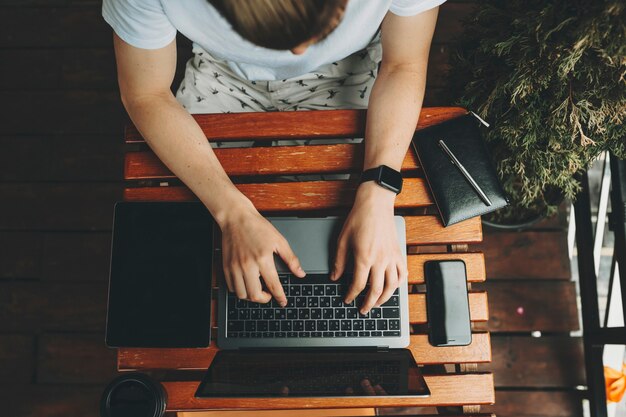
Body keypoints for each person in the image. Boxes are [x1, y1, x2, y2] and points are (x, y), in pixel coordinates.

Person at [103, 0, 443, 315]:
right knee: (180, 244)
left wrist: (379, 190)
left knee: (367, 246)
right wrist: (232, 214)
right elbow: (146, 93)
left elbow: (404, 64)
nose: (298, 51)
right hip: (222, 72)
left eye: (327, 24)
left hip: (345, 71)